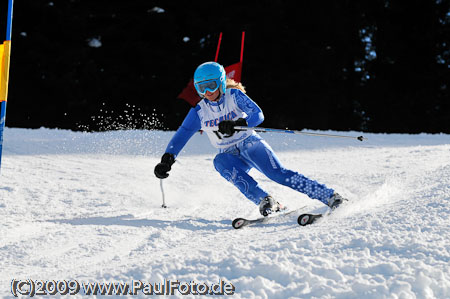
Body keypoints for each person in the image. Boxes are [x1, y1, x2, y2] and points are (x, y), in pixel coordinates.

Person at [154, 61, 346, 216]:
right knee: (219, 162)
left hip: (250, 144)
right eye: (201, 88)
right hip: (228, 154)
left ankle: (329, 196)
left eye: (211, 86)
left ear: (220, 82)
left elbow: (258, 114)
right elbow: (182, 134)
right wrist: (167, 159)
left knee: (277, 174)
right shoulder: (199, 111)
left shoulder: (234, 96)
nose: (207, 93)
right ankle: (265, 200)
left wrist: (240, 123)